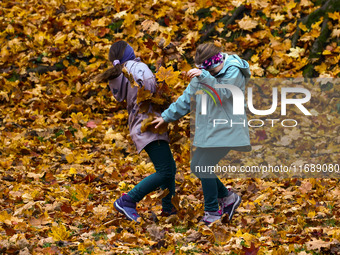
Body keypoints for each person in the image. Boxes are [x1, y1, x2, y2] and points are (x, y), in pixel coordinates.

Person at [152, 43, 251, 225]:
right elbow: (186, 99)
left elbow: (222, 94)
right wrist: (165, 117)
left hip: (229, 129)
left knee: (204, 165)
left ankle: (212, 211)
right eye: (206, 71)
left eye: (212, 69)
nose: (210, 73)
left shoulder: (233, 71)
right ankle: (227, 198)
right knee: (198, 166)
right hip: (211, 130)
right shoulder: (204, 74)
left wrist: (205, 76)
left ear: (218, 61)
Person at [96, 41, 177, 222]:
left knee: (169, 168)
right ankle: (128, 200)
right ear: (130, 53)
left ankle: (169, 209)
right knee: (165, 170)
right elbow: (149, 87)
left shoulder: (122, 73)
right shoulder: (138, 67)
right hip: (149, 123)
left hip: (142, 123)